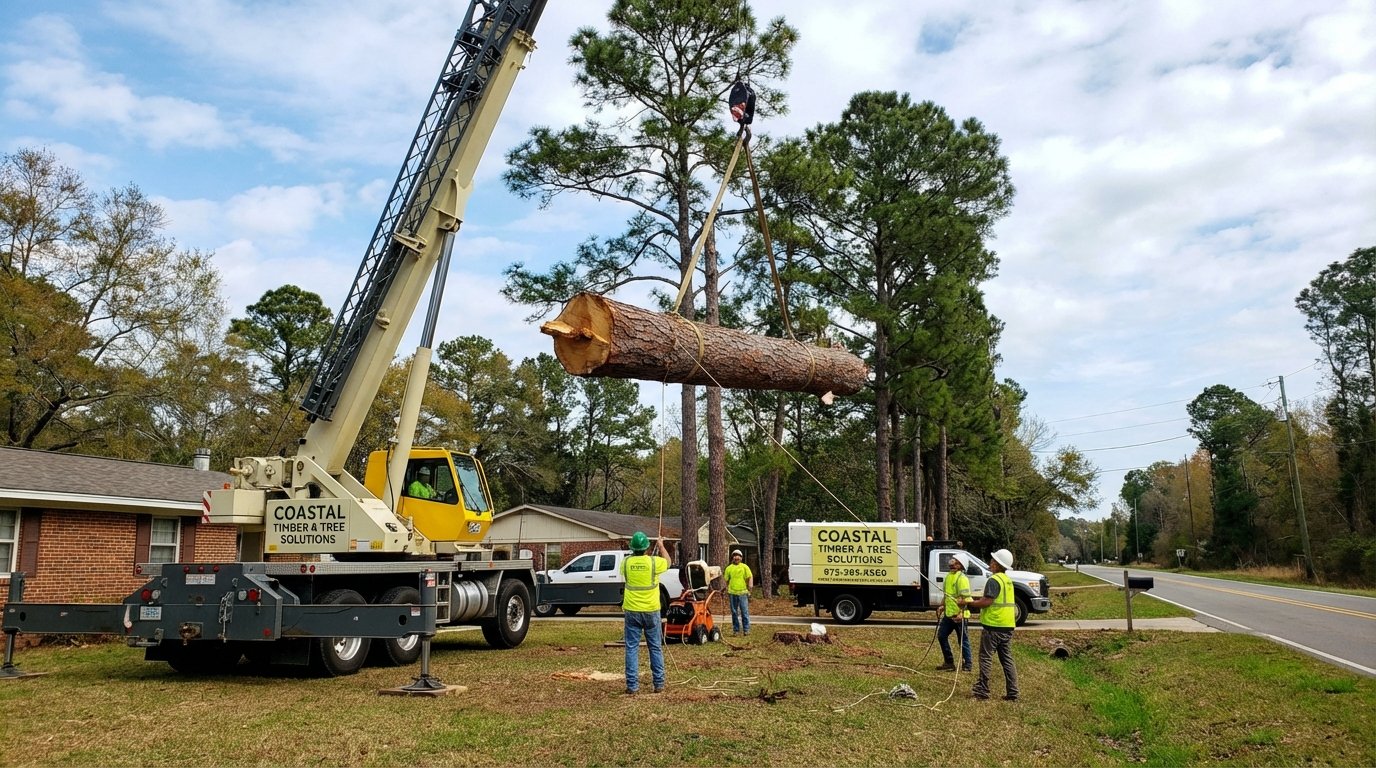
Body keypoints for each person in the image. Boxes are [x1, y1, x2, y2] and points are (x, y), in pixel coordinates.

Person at [621, 531, 671, 694]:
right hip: (651, 610)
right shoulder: (654, 562)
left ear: (632, 548)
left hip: (632, 610)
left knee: (631, 648)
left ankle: (632, 686)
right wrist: (661, 546)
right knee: (655, 647)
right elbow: (668, 562)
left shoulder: (625, 563)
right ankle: (658, 683)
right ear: (647, 547)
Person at [966, 548, 1019, 701]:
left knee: (985, 658)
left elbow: (987, 601)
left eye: (993, 561)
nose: (990, 563)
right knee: (1007, 660)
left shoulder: (994, 580)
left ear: (997, 564)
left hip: (993, 626)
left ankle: (982, 690)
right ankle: (1013, 693)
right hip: (1007, 625)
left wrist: (970, 603)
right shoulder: (1007, 580)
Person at [935, 553, 972, 672]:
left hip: (959, 616)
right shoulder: (948, 577)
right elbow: (947, 595)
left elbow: (966, 598)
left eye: (956, 563)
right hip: (949, 615)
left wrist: (961, 613)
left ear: (961, 566)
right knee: (941, 636)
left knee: (963, 640)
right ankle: (949, 662)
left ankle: (967, 664)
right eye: (952, 562)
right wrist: (942, 606)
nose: (952, 564)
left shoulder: (962, 579)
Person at [723, 549, 753, 636]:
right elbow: (726, 580)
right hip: (732, 593)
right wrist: (726, 589)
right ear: (732, 557)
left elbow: (750, 577)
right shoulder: (729, 568)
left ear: (741, 558)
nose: (737, 557)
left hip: (743, 593)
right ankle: (736, 630)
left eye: (738, 556)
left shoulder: (745, 567)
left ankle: (746, 629)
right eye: (735, 556)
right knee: (734, 612)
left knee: (744, 612)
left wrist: (750, 589)